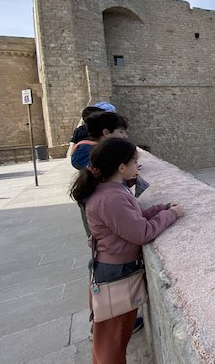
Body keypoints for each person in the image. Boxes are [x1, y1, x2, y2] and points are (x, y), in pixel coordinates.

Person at [70, 138, 184, 364]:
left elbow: (130, 219)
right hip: (115, 273)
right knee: (111, 345)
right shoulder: (111, 197)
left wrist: (159, 209)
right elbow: (141, 233)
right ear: (121, 168)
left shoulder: (109, 190)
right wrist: (171, 215)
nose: (137, 167)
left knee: (113, 338)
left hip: (113, 268)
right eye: (134, 162)